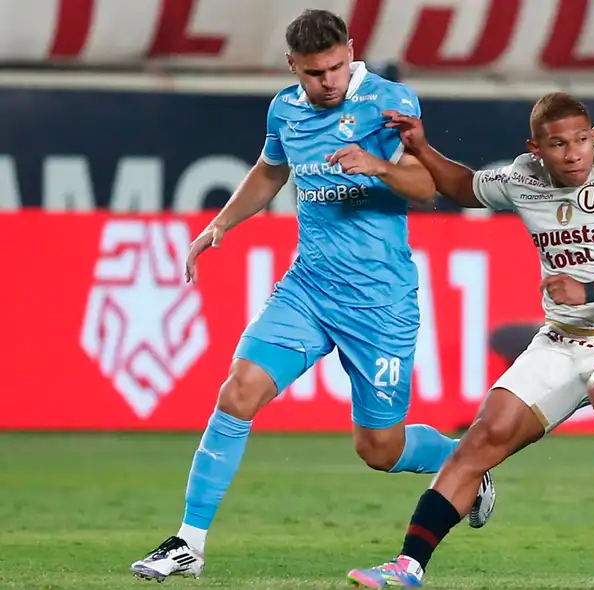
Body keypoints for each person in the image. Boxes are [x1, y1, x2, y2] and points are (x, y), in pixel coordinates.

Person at [129, 9, 495, 582]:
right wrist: (220, 225)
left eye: (335, 67)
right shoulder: (284, 110)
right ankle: (188, 543)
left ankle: (464, 460)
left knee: (379, 449)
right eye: (314, 73)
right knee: (237, 393)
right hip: (308, 290)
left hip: (379, 303)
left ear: (351, 50)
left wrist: (377, 166)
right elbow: (270, 172)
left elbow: (429, 187)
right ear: (291, 66)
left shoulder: (390, 101)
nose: (328, 82)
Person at [347, 92, 594, 588]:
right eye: (558, 144)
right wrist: (422, 147)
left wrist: (587, 290)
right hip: (560, 341)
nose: (573, 154)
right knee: (480, 440)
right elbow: (464, 187)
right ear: (535, 148)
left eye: (581, 140)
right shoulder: (524, 178)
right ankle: (407, 566)